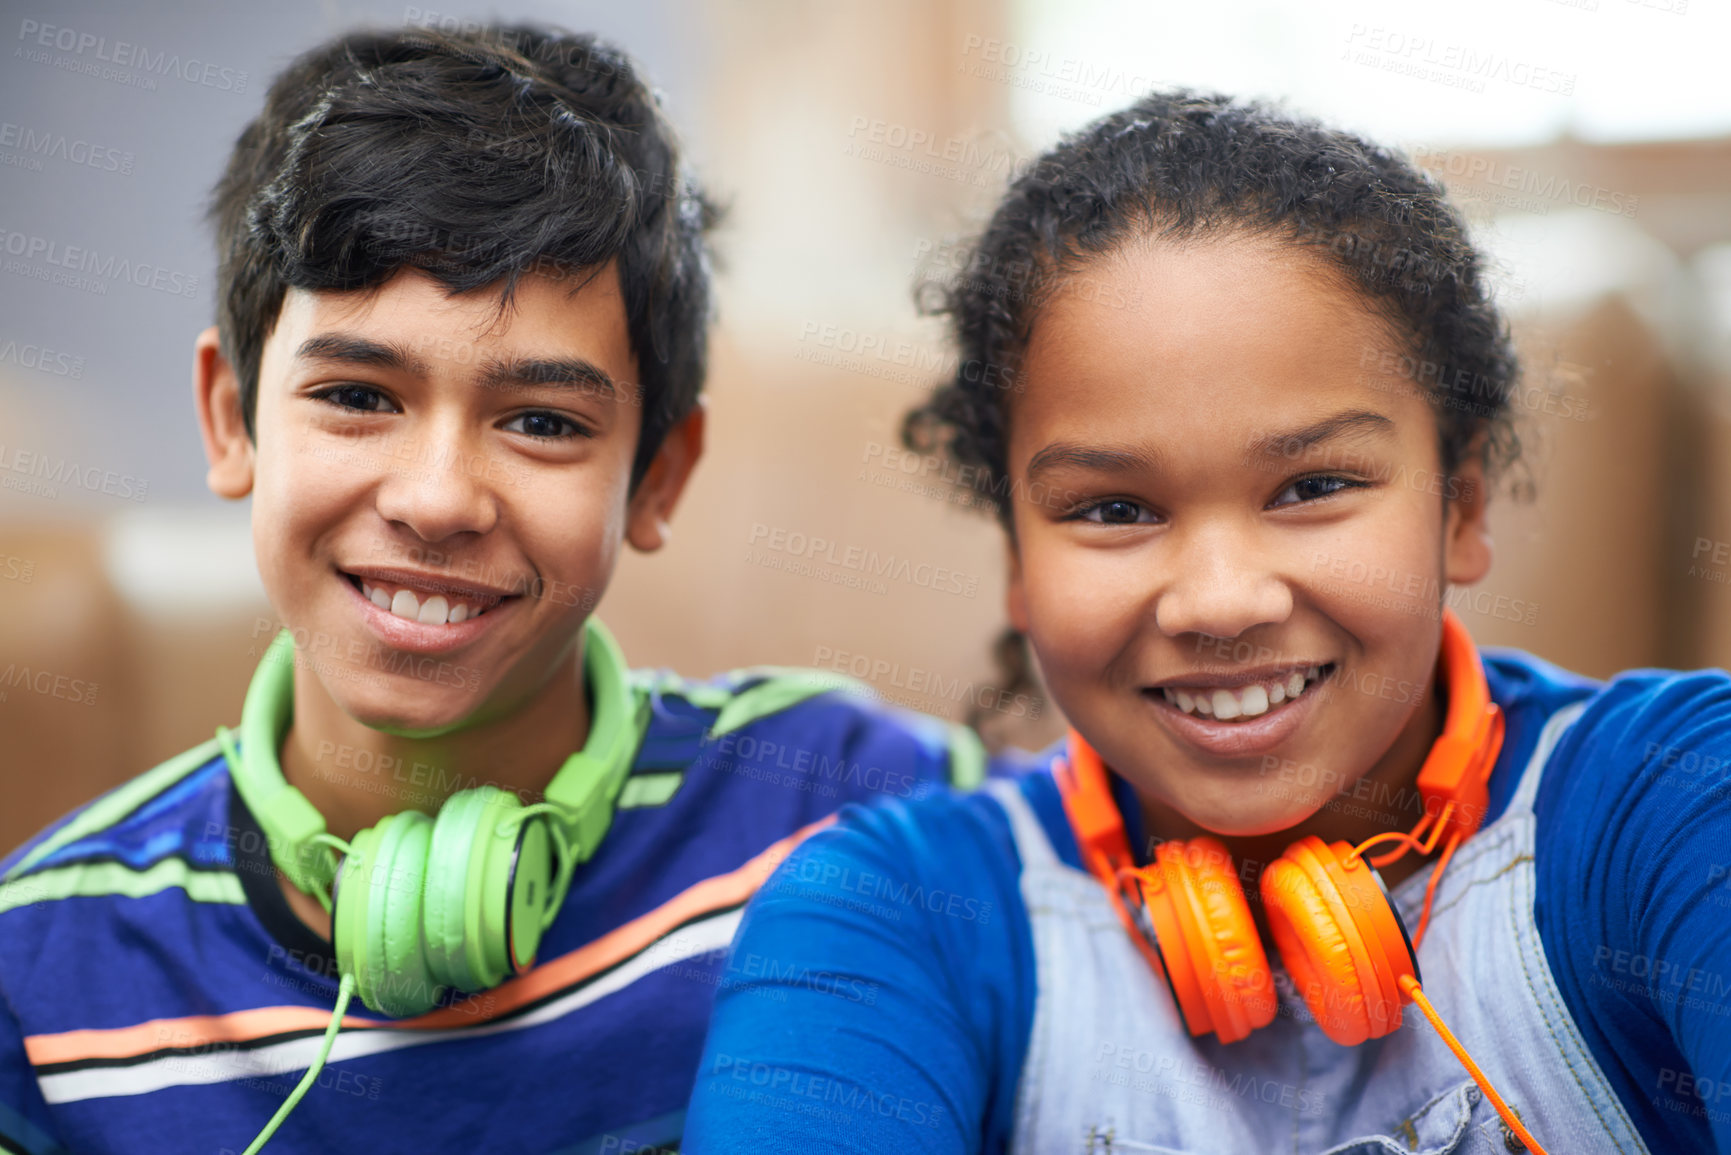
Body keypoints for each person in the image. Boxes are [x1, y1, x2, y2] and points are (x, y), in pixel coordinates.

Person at [684, 90, 1731, 1154]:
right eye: (1114, 510)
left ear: (1459, 506)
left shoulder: (1682, 799)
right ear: (1015, 561)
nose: (1222, 601)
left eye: (1313, 485)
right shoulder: (886, 915)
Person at [0, 25, 980, 1154]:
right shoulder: (40, 973)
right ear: (232, 419)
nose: (438, 499)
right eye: (360, 396)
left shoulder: (851, 804)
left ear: (658, 477)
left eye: (542, 423)